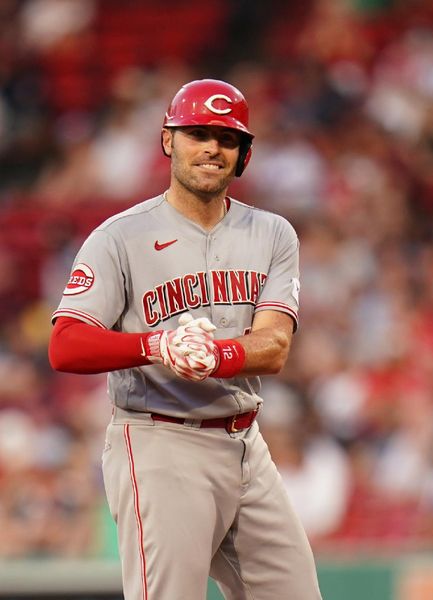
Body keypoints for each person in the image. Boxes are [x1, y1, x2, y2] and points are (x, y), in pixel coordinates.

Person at [48, 79, 322, 600]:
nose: (211, 148)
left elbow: (275, 346)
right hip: (160, 439)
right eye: (197, 133)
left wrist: (217, 354)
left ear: (243, 154)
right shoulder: (119, 236)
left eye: (226, 138)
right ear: (168, 140)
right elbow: (66, 345)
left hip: (245, 443)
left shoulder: (273, 233)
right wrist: (155, 346)